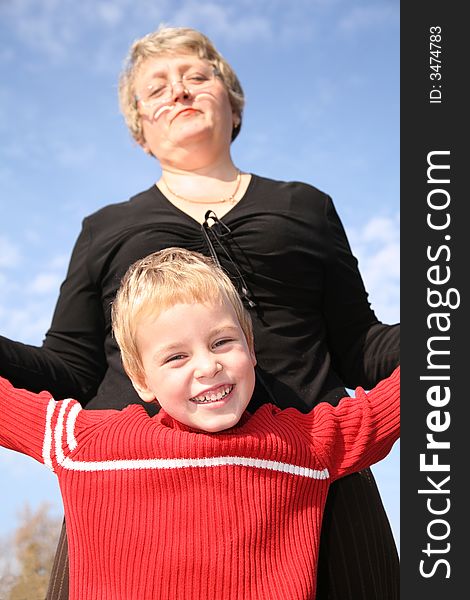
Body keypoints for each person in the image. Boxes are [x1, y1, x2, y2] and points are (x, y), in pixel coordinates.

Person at [0, 26, 400, 599]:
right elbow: (70, 368)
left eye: (196, 76)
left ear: (231, 99)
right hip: (134, 486)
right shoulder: (104, 228)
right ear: (140, 130)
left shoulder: (305, 206)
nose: (179, 92)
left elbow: (360, 342)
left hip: (311, 467)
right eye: (156, 88)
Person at [0, 248, 400, 600]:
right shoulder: (90, 445)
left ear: (251, 348)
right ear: (141, 380)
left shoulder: (304, 443)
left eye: (222, 342)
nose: (208, 366)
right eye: (176, 357)